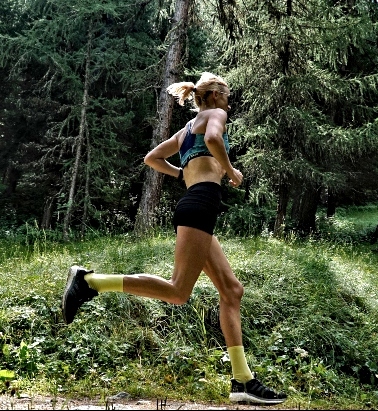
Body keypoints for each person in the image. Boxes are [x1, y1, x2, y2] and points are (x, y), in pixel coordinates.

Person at [61, 72, 287, 405]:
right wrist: (231, 169)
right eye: (225, 95)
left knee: (232, 290)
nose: (228, 101)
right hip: (201, 205)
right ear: (212, 96)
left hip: (196, 204)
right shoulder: (216, 115)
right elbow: (213, 140)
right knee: (179, 291)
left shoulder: (184, 132)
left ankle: (242, 381)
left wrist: (182, 172)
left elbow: (151, 158)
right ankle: (91, 281)